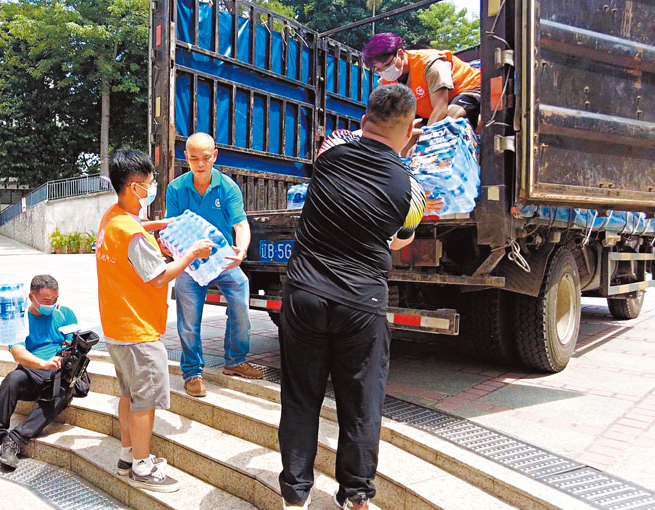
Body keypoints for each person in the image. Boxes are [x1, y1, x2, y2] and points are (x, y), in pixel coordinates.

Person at [277, 84, 427, 510]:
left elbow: (350, 139)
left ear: (364, 120)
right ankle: (356, 494)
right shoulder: (409, 189)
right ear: (409, 130)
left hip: (305, 292)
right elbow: (398, 241)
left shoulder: (331, 150)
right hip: (361, 305)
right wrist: (402, 155)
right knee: (361, 401)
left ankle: (295, 495)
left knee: (301, 396)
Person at [96, 149, 214, 492]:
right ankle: (143, 467)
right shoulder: (133, 235)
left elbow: (132, 229)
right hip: (139, 332)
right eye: (149, 183)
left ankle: (127, 455)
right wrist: (192, 253)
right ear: (134, 187)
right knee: (144, 401)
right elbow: (160, 277)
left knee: (128, 396)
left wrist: (158, 225)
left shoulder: (112, 218)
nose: (153, 188)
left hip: (117, 329)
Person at [166, 132, 263, 398]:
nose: (200, 163)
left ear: (215, 156)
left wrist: (241, 250)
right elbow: (170, 227)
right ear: (186, 157)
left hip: (222, 259)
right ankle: (192, 373)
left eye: (206, 158)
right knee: (188, 318)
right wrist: (175, 251)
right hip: (190, 260)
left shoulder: (228, 187)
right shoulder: (175, 188)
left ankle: (234, 361)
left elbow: (240, 224)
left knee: (241, 300)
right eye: (194, 158)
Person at [0, 274, 78, 470]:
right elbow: (18, 353)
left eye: (55, 299)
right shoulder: (19, 320)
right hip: (33, 372)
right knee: (12, 379)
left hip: (58, 375)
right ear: (32, 297)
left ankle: (14, 440)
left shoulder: (65, 314)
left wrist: (66, 358)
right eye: (47, 300)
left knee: (62, 393)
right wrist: (43, 363)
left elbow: (75, 345)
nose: (52, 304)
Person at [363, 32, 482, 130]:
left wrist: (428, 139)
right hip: (431, 110)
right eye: (378, 69)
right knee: (409, 135)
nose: (384, 71)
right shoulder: (385, 83)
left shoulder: (430, 64)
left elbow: (441, 108)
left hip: (469, 89)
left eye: (387, 65)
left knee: (451, 119)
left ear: (400, 53)